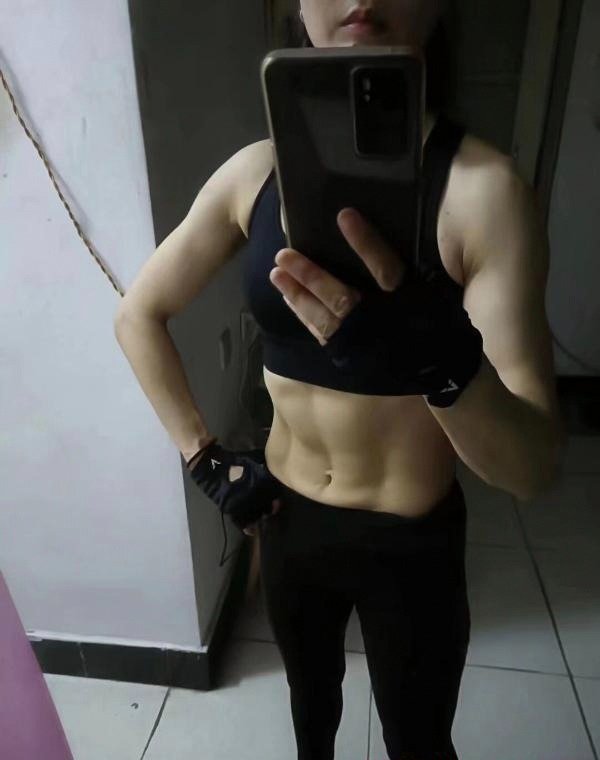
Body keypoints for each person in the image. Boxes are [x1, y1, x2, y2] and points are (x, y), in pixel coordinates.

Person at [115, 2, 565, 758]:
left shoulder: (485, 192)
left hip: (408, 541)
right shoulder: (253, 174)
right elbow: (137, 316)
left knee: (419, 741)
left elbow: (532, 468)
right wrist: (204, 458)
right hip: (287, 522)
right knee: (311, 716)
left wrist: (441, 357)